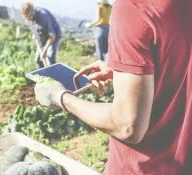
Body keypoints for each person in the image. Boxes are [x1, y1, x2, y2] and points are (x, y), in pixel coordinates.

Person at [34, 0, 192, 174]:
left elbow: (127, 125)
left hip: (142, 168)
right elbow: (179, 58)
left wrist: (61, 97)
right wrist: (128, 71)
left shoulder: (133, 7)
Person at [21, 2, 61, 68]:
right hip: (42, 35)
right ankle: (42, 76)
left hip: (53, 37)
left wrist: (44, 50)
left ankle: (53, 74)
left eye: (28, 17)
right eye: (26, 18)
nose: (28, 20)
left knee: (50, 57)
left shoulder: (43, 17)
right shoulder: (28, 18)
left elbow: (52, 36)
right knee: (38, 60)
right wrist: (40, 47)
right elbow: (35, 33)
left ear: (32, 13)